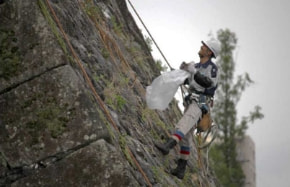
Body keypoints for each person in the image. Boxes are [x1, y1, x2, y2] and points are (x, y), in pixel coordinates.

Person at [154, 39, 221, 179]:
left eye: (204, 46)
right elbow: (189, 81)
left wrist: (194, 72)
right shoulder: (196, 66)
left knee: (183, 125)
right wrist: (178, 73)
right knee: (186, 137)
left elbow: (208, 84)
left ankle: (168, 146)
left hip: (200, 104)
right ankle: (181, 169)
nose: (201, 47)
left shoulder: (212, 69)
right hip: (191, 101)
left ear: (209, 52)